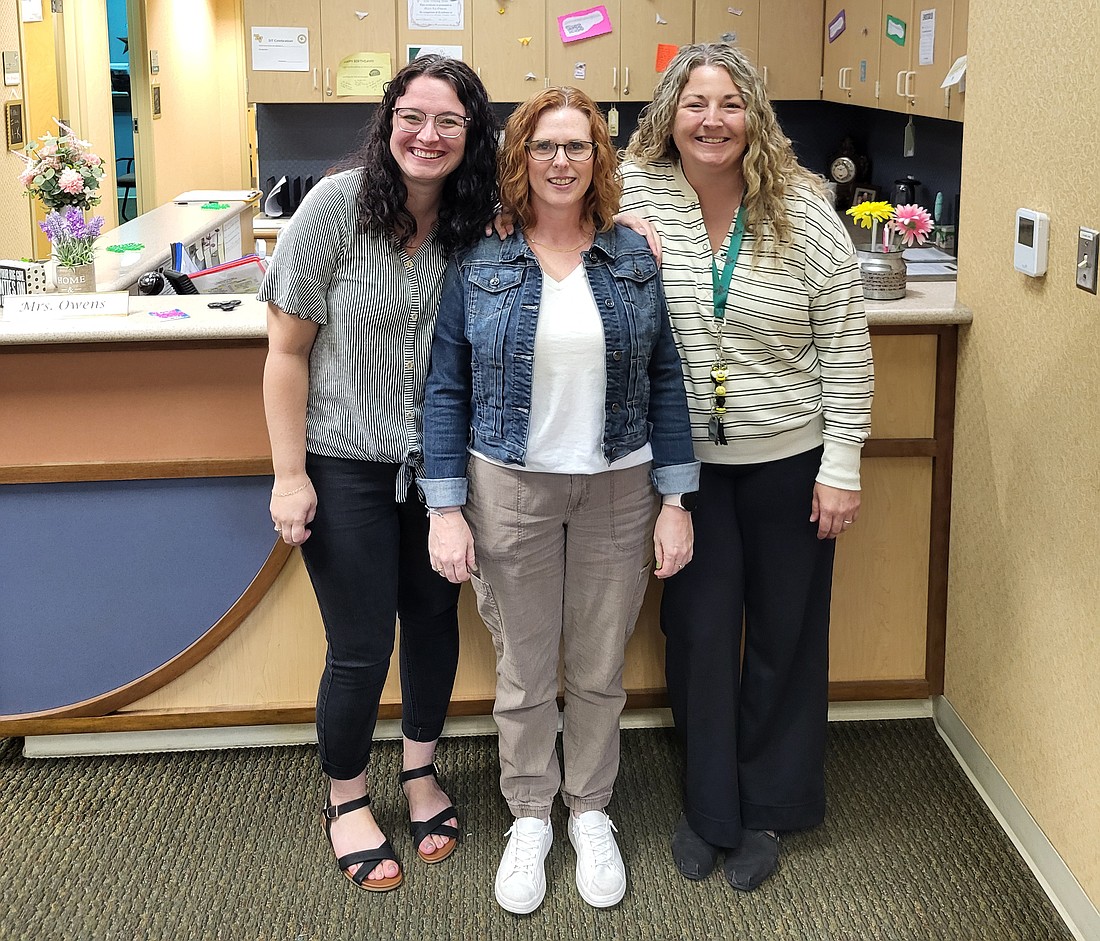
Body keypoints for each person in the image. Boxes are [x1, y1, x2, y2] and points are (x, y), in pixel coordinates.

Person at [419, 87, 699, 915]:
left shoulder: (631, 255)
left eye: (578, 147)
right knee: (525, 667)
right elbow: (445, 387)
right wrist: (444, 505)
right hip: (508, 483)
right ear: (520, 158)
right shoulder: (482, 258)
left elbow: (666, 378)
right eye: (545, 147)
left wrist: (675, 498)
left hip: (620, 482)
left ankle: (591, 810)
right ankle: (533, 814)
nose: (562, 161)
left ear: (598, 159)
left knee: (599, 666)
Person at [619, 43, 875, 892]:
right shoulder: (637, 190)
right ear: (669, 114)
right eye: (694, 103)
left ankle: (768, 805)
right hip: (683, 470)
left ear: (754, 115)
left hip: (789, 459)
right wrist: (617, 225)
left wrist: (841, 464)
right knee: (695, 633)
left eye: (729, 103)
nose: (711, 120)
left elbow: (844, 345)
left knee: (785, 633)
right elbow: (552, 211)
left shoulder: (804, 209)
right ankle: (709, 807)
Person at [259, 55, 498, 892]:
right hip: (344, 461)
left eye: (449, 122)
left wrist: (634, 226)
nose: (427, 136)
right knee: (360, 646)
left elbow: (570, 211)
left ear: (472, 137)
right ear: (387, 119)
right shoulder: (333, 208)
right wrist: (290, 475)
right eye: (412, 116)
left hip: (441, 469)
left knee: (433, 623)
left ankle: (420, 770)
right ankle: (346, 794)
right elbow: (286, 353)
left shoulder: (478, 222)